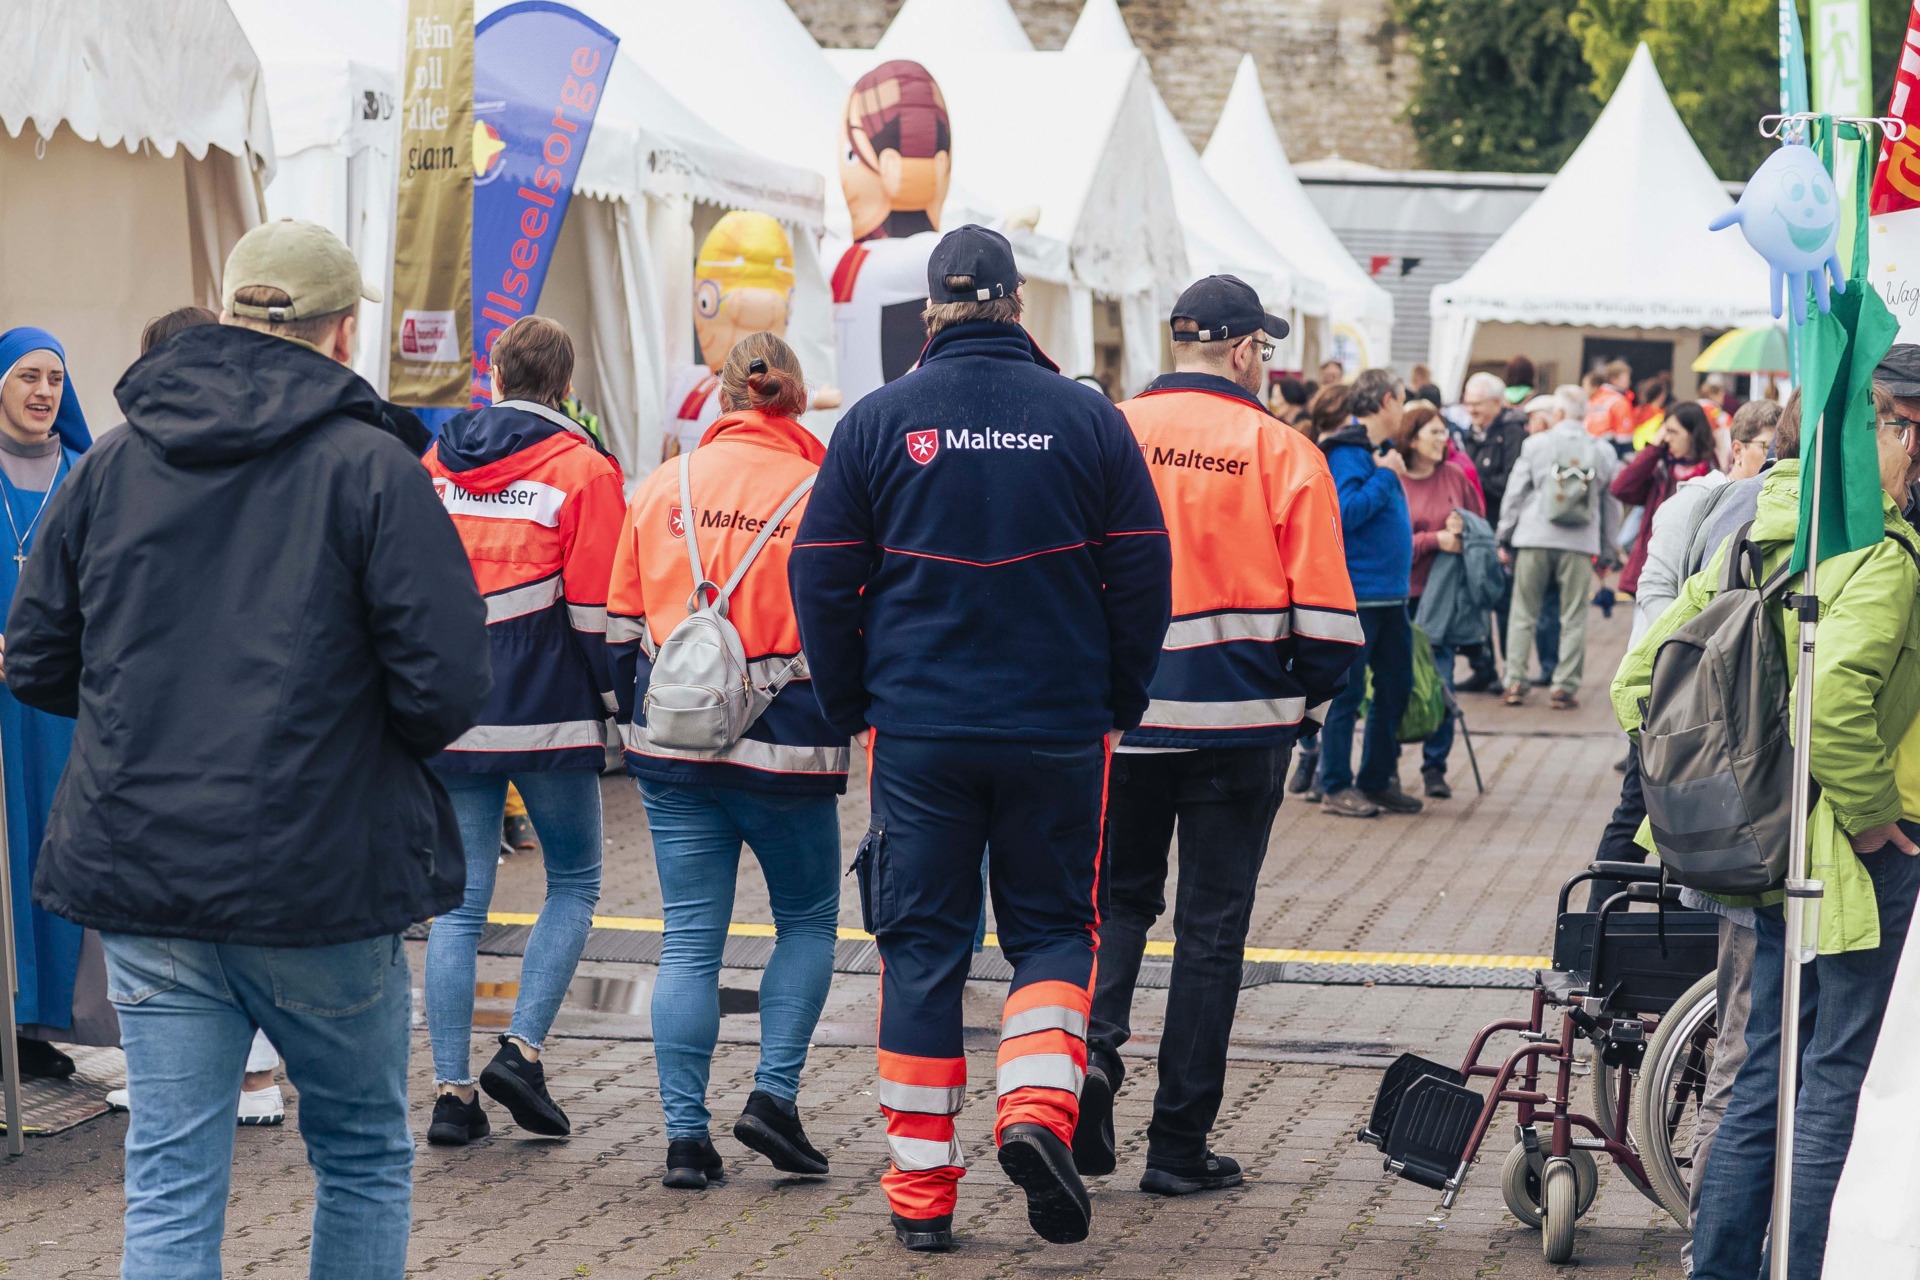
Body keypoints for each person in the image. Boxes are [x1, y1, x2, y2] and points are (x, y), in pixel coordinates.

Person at [5, 219, 490, 1280]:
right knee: (360, 1150)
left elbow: (38, 656)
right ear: (343, 332)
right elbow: (446, 684)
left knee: (173, 1174)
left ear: (223, 309)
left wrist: (146, 712)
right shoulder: (373, 466)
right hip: (319, 872)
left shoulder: (116, 461)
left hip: (147, 870)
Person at [790, 225, 1171, 1252]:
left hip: (918, 728)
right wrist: (1119, 696)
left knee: (921, 947)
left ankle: (922, 1198)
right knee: (1052, 931)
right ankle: (1034, 1115)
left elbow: (820, 573)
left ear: (930, 315)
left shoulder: (876, 420)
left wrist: (849, 699)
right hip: (1055, 724)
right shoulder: (1088, 420)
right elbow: (1142, 570)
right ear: (1016, 307)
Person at [1614, 383, 1920, 1280]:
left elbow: (1639, 680)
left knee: (1759, 1077)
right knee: (1830, 1082)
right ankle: (1802, 1266)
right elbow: (1832, 709)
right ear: (1876, 437)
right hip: (1846, 851)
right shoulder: (1883, 555)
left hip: (1749, 844)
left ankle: (1721, 1268)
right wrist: (1867, 822)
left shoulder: (1757, 526)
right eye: (1907, 428)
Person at [1076, 276, 1358, 1196]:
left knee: (1114, 908)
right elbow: (1327, 628)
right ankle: (1177, 1145)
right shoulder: (1283, 453)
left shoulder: (1104, 431)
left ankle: (1091, 1065)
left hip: (1118, 726)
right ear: (1244, 352)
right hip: (1239, 730)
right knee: (1210, 932)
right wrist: (1301, 704)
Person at [608, 332, 847, 1189]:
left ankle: (683, 1138)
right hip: (788, 745)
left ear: (722, 395)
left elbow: (618, 623)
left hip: (672, 742)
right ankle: (773, 1098)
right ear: (792, 393)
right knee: (809, 922)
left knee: (688, 942)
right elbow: (851, 619)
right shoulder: (823, 490)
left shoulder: (661, 485)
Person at [418, 316, 622, 1147]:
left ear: (493, 375)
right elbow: (596, 609)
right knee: (574, 879)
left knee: (458, 907)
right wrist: (619, 707)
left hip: (451, 705)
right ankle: (523, 1050)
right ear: (565, 386)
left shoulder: (436, 461)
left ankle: (450, 1095)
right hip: (544, 707)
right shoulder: (585, 468)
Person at [102, 305, 284, 1125]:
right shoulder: (282, 451)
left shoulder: (120, 462)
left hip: (153, 728)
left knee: (165, 913)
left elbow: (55, 631)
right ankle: (254, 1080)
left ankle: (185, 1077)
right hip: (249, 724)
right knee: (241, 912)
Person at [0, 328, 91, 1086]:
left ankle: (36, 1019)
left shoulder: (88, 475)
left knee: (52, 848)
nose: (42, 392)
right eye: (27, 376)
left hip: (63, 702)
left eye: (55, 379)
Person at [1316, 367, 1420, 818]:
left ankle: (1376, 779)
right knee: (1348, 694)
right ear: (1385, 402)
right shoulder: (1350, 452)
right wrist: (1385, 476)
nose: (1404, 409)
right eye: (1402, 400)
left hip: (1389, 596)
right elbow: (1345, 512)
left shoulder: (1376, 451)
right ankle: (1335, 783)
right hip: (1358, 596)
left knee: (1396, 686)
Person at [1496, 384, 1618, 708]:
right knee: (1573, 616)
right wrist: (1607, 551)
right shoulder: (1602, 451)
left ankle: (1515, 681)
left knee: (1524, 612)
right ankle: (1564, 686)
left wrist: (1504, 534)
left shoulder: (1536, 445)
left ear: (1559, 413)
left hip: (1534, 536)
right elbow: (1610, 505)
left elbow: (1515, 493)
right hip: (1580, 542)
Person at [1397, 401, 1485, 798]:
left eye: (1444, 431)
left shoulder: (1455, 476)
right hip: (1399, 596)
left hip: (1444, 597)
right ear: (1411, 437)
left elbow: (1480, 526)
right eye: (1433, 432)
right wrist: (1436, 540)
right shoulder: (1394, 478)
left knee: (1442, 680)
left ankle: (1436, 766)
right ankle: (1387, 764)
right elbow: (1388, 543)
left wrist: (1464, 529)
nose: (1443, 438)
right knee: (1396, 684)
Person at [1456, 371, 1531, 693]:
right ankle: (1483, 666)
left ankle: (1510, 672)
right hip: (1476, 527)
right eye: (1468, 404)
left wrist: (1473, 482)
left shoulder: (1513, 432)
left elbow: (1514, 482)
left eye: (1477, 404)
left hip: (1502, 529)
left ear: (1498, 403)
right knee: (1476, 597)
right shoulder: (1471, 433)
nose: (1471, 410)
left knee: (1503, 602)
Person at [1611, 400, 1721, 603]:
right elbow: (1621, 488)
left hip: (1690, 572)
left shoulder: (1712, 472)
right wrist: (1653, 448)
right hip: (1654, 567)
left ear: (1693, 433)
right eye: (1665, 431)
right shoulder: (1660, 468)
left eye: (1673, 432)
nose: (1667, 439)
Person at [1584, 359, 1636, 452]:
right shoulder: (1620, 402)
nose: (1630, 383)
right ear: (1614, 380)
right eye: (1627, 379)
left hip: (1589, 451)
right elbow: (1625, 438)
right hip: (1610, 453)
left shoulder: (1594, 399)